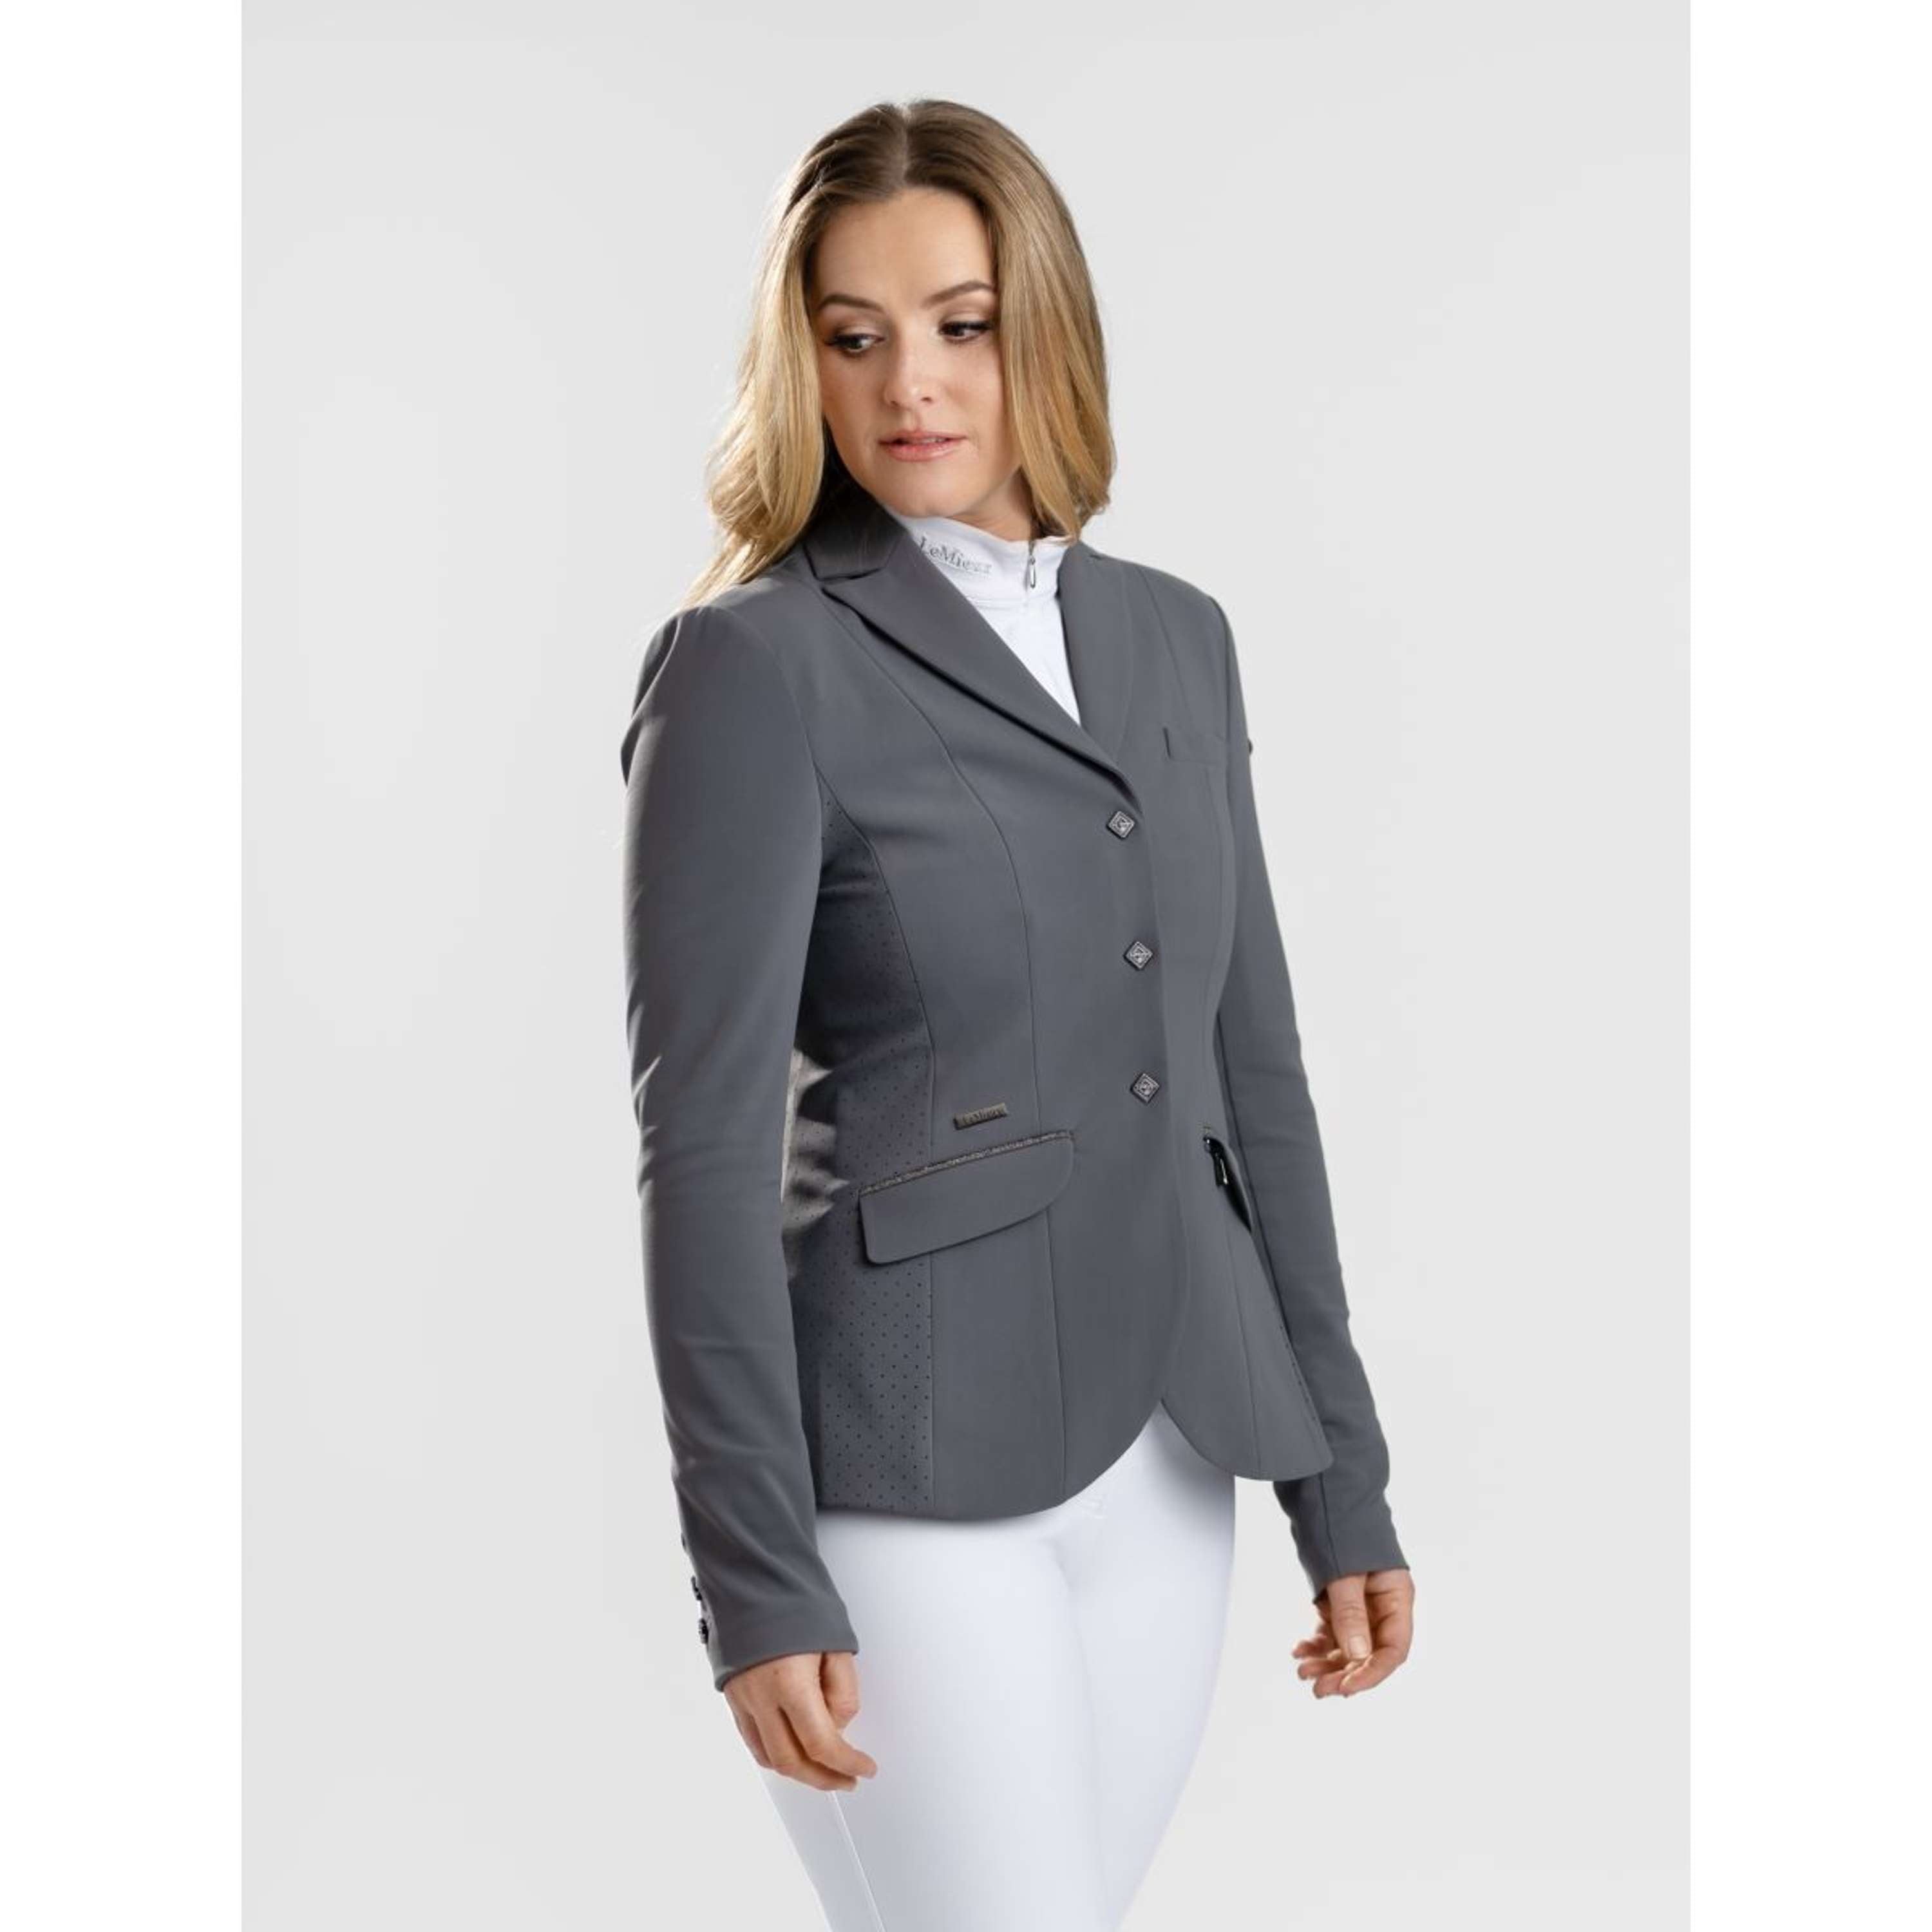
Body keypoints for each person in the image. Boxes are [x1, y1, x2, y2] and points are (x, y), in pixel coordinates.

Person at [618, 96, 1416, 1932]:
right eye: (852, 335)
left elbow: (1250, 1080)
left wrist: (1342, 1484)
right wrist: (753, 1575)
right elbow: (704, 1151)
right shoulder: (752, 665)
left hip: (1178, 1450)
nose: (910, 383)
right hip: (905, 1466)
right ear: (801, 361)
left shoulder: (1180, 637)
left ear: (1041, 326)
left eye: (960, 324)